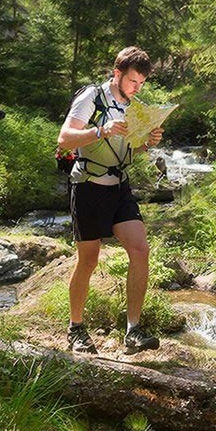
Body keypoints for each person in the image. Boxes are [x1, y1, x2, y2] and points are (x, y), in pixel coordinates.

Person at [57, 46, 164, 355]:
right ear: (116, 74)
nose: (136, 88)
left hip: (119, 186)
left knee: (140, 249)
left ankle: (133, 330)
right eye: (132, 81)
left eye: (141, 83)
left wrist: (148, 143)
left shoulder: (135, 106)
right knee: (88, 259)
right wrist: (100, 130)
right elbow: (64, 138)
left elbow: (130, 150)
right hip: (88, 185)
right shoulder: (92, 97)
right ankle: (76, 328)